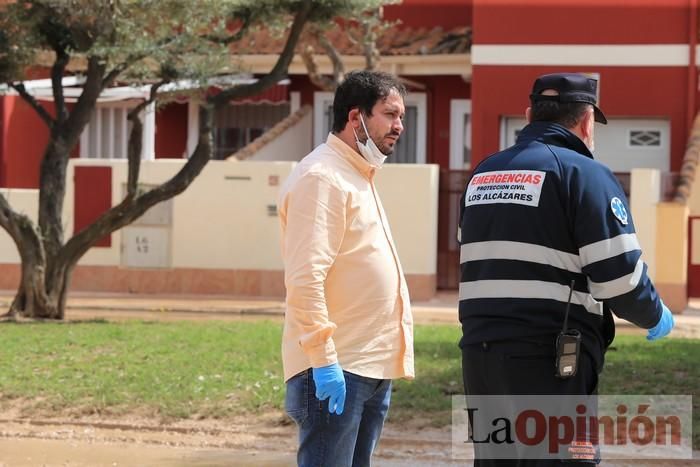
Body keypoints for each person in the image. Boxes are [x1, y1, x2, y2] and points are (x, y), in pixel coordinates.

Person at [458, 72, 674, 466]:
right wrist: (654, 314)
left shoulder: (483, 173)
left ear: (529, 115)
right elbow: (619, 277)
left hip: (480, 358)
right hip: (550, 361)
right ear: (587, 121)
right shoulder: (584, 174)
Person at [278, 70, 414, 467]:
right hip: (336, 368)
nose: (399, 126)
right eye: (390, 115)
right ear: (356, 118)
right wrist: (323, 360)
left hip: (369, 368)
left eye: (401, 116)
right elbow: (305, 279)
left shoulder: (358, 175)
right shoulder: (321, 178)